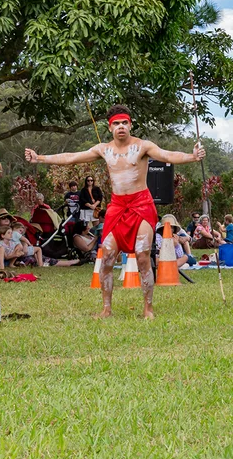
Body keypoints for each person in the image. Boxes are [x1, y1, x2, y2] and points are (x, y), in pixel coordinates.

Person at [25, 104, 206, 319]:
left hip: (141, 205)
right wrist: (41, 158)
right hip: (118, 206)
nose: (121, 127)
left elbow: (167, 155)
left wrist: (192, 156)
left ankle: (148, 309)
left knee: (142, 254)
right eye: (116, 124)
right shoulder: (103, 149)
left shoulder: (142, 146)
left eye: (124, 123)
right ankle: (106, 309)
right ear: (110, 127)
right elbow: (72, 157)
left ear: (130, 125)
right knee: (108, 255)